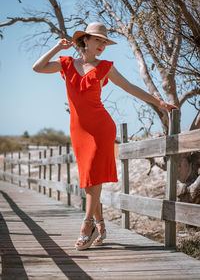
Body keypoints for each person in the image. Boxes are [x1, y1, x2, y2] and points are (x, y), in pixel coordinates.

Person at [33, 21, 178, 251]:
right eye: (97, 39)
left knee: (93, 176)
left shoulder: (106, 67)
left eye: (104, 41)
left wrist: (159, 102)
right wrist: (57, 48)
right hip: (78, 130)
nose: (101, 44)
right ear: (85, 40)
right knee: (88, 181)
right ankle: (100, 224)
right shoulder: (67, 63)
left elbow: (130, 87)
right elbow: (37, 68)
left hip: (101, 128)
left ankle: (86, 226)